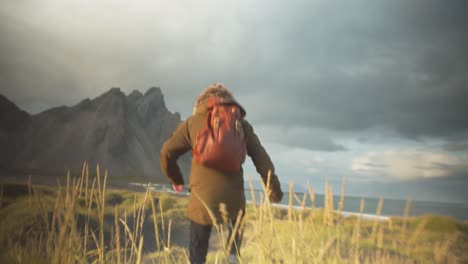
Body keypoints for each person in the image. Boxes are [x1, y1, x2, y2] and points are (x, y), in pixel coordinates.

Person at [160, 83, 283, 264]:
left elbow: (167, 153)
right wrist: (274, 192)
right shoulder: (240, 124)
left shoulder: (193, 123)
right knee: (233, 253)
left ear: (202, 102)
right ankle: (232, 257)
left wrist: (176, 179)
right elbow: (261, 158)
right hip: (234, 203)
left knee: (197, 253)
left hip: (202, 202)